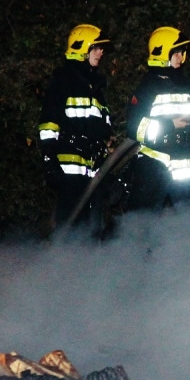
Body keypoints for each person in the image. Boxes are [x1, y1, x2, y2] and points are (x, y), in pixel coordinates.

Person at [124, 26, 190, 210]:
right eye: (176, 53)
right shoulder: (148, 87)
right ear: (161, 53)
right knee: (142, 227)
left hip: (189, 169)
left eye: (182, 53)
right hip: (155, 166)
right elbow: (135, 127)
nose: (181, 57)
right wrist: (170, 125)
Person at [37, 23, 113, 230]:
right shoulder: (64, 79)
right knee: (70, 225)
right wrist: (49, 157)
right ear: (81, 48)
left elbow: (102, 127)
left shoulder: (95, 86)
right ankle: (63, 259)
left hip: (93, 164)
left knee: (93, 226)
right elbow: (48, 122)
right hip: (69, 164)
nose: (101, 52)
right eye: (96, 47)